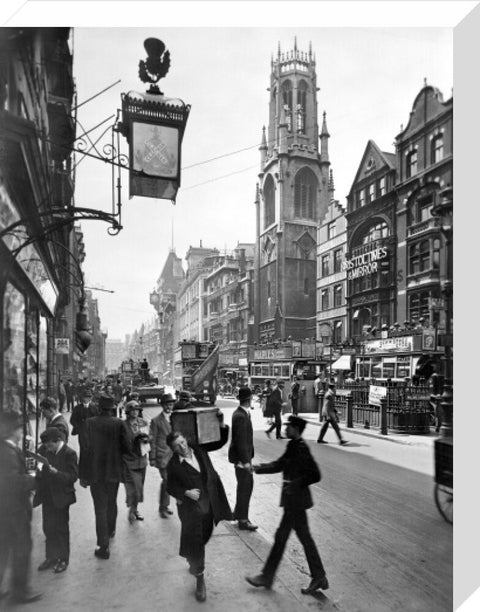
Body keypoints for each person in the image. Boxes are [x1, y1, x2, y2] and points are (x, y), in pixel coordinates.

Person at [246, 415, 329, 596]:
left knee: (283, 537)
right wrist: (258, 468)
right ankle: (319, 576)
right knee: (300, 539)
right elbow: (280, 464)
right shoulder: (292, 446)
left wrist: (296, 483)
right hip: (293, 502)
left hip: (296, 502)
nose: (285, 428)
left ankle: (267, 576)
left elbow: (315, 475)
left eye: (288, 426)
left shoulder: (301, 448)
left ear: (296, 429)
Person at [166, 413, 232, 603]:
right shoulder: (173, 465)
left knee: (204, 535)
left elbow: (218, 443)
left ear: (186, 440)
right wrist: (185, 493)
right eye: (177, 446)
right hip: (191, 509)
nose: (182, 447)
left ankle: (193, 556)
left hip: (209, 503)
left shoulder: (200, 450)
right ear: (173, 449)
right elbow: (170, 486)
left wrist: (221, 424)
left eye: (182, 442)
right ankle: (200, 580)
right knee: (196, 541)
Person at [0, 412, 42, 604]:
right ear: (13, 431)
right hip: (14, 510)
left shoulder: (7, 449)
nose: (22, 432)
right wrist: (32, 477)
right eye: (19, 428)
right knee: (21, 548)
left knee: (4, 548)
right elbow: (12, 482)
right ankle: (20, 591)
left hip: (5, 510)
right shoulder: (8, 453)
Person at [83, 395, 129, 560]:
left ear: (99, 408)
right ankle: (111, 530)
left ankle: (103, 546)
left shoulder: (89, 423)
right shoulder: (119, 423)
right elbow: (127, 448)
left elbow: (85, 450)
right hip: (114, 472)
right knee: (112, 502)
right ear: (112, 409)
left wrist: (83, 475)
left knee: (100, 508)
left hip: (96, 473)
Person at [33, 427, 78, 574]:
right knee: (48, 527)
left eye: (49, 445)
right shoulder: (45, 451)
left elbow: (72, 477)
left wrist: (56, 473)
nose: (46, 448)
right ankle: (51, 557)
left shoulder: (69, 454)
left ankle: (63, 559)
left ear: (57, 441)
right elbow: (39, 468)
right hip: (47, 496)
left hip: (61, 497)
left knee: (61, 529)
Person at [228, 386, 257, 531]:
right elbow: (240, 441)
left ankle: (238, 514)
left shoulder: (241, 413)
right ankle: (243, 521)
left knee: (244, 487)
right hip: (242, 460)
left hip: (243, 458)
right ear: (249, 399)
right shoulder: (240, 416)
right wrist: (245, 462)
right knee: (246, 488)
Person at [122, 400, 150, 523]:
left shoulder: (143, 423)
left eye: (137, 410)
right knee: (133, 488)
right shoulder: (123, 425)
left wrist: (146, 439)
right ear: (128, 412)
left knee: (140, 488)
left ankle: (135, 508)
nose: (135, 412)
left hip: (142, 460)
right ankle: (132, 509)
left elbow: (150, 437)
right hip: (129, 461)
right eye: (132, 410)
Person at [149, 393, 174, 518]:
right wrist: (152, 458)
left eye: (171, 404)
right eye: (167, 404)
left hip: (173, 456)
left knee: (170, 481)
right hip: (162, 455)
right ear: (163, 405)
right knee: (166, 481)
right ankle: (162, 507)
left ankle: (166, 505)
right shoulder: (156, 421)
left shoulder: (175, 418)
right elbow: (152, 441)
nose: (169, 407)